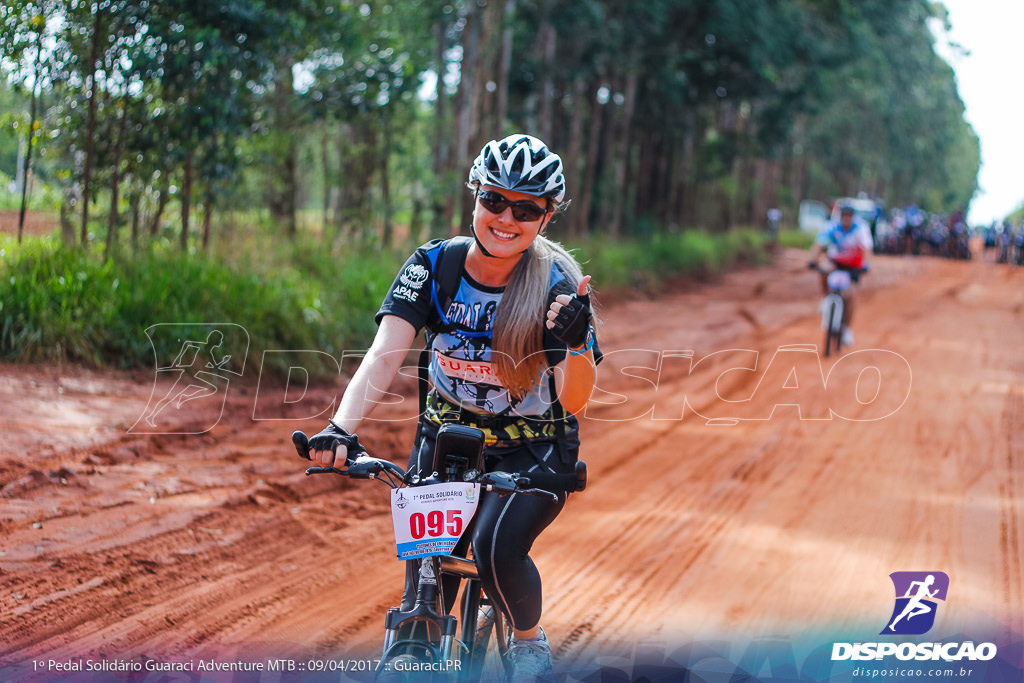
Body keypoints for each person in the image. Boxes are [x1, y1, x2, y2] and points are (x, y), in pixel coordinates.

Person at [305, 133, 601, 677]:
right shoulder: (434, 266)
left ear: (546, 217)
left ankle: (529, 643)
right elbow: (383, 356)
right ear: (475, 197)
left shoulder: (556, 285)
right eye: (494, 200)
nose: (506, 217)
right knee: (428, 571)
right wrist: (340, 428)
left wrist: (578, 342)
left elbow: (575, 398)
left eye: (526, 207)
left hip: (532, 451)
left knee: (493, 548)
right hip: (448, 441)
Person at [808, 204, 873, 346]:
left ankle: (847, 329)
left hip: (854, 266)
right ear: (841, 216)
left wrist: (866, 265)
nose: (846, 219)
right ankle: (826, 298)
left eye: (849, 216)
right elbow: (819, 244)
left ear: (852, 217)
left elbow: (867, 249)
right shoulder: (832, 227)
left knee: (850, 295)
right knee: (823, 271)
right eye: (844, 216)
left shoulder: (860, 229)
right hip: (835, 263)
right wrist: (812, 260)